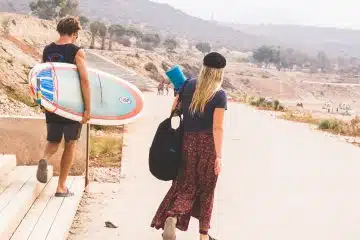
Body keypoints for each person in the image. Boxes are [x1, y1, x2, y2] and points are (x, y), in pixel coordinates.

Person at [151, 52, 227, 240]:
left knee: (185, 185)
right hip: (208, 145)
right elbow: (217, 127)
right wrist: (219, 156)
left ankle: (173, 216)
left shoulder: (186, 85)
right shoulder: (219, 94)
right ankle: (203, 236)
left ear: (203, 67)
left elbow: (174, 111)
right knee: (207, 190)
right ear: (220, 72)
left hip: (186, 142)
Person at [36, 16, 91, 197]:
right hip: (72, 106)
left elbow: (43, 76)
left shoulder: (48, 50)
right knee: (70, 143)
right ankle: (61, 187)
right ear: (75, 33)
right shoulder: (76, 51)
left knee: (53, 140)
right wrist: (88, 109)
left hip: (53, 104)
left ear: (59, 30)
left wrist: (42, 101)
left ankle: (44, 159)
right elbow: (84, 80)